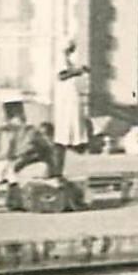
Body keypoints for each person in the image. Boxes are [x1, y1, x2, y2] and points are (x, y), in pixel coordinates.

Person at [0, 94, 57, 184]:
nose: (11, 121)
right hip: (12, 165)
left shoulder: (31, 132)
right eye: (10, 116)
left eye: (15, 116)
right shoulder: (4, 132)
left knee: (11, 174)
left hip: (31, 165)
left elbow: (48, 150)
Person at [51, 41, 90, 176]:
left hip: (71, 97)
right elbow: (61, 75)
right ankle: (59, 167)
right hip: (64, 99)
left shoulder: (69, 58)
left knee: (72, 127)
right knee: (64, 131)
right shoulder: (60, 57)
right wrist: (77, 71)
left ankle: (74, 146)